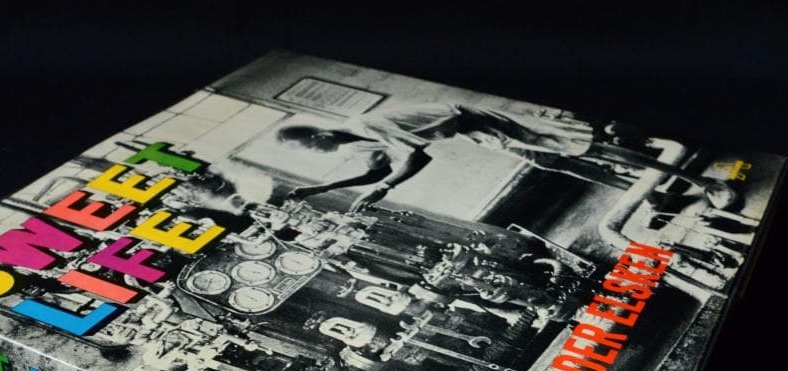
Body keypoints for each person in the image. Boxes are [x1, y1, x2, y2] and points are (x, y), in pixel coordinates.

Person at [278, 102, 736, 212]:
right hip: (476, 134)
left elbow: (415, 160)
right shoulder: (355, 141)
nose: (317, 152)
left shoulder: (366, 124)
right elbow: (374, 170)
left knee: (590, 148)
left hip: (484, 122)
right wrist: (321, 188)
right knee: (557, 163)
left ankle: (708, 183)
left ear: (319, 133)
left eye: (310, 146)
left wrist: (383, 188)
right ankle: (657, 197)